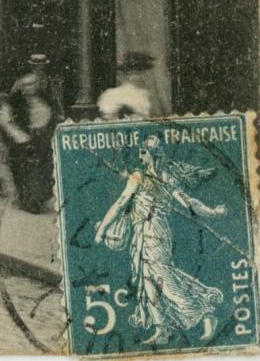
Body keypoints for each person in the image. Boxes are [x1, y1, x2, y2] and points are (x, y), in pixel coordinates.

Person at [94, 135, 226, 345]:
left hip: (154, 232)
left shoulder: (147, 177)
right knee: (148, 281)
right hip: (146, 233)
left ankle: (203, 313)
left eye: (143, 153)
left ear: (152, 154)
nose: (140, 156)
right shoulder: (160, 176)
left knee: (164, 278)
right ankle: (162, 329)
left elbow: (121, 204)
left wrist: (102, 230)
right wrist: (213, 212)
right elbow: (189, 203)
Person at [4, 54, 63, 214]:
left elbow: (55, 102)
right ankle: (28, 198)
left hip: (44, 128)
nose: (39, 67)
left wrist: (56, 118)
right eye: (36, 64)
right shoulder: (21, 83)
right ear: (32, 65)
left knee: (44, 164)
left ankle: (38, 197)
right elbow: (10, 105)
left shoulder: (49, 82)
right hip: (25, 129)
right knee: (24, 165)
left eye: (42, 64)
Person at [98, 52, 159, 121]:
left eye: (143, 72)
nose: (142, 76)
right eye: (136, 72)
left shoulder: (146, 94)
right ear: (126, 74)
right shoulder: (111, 95)